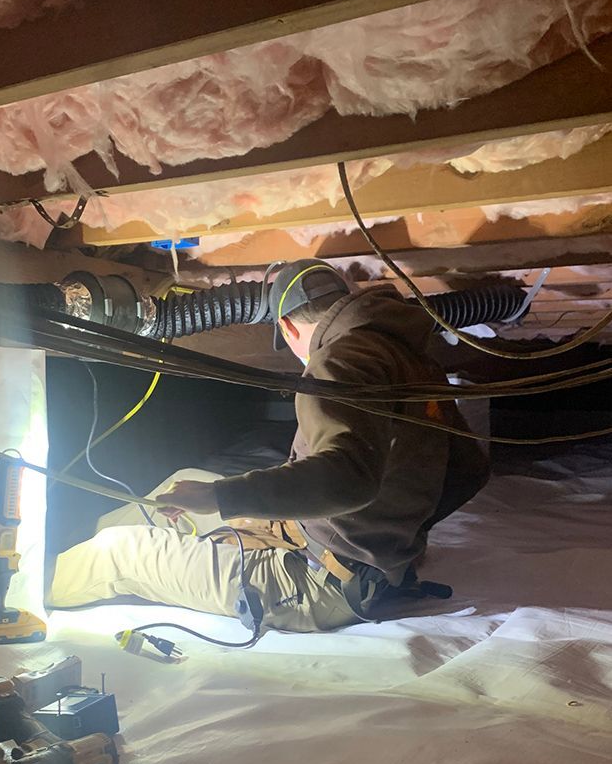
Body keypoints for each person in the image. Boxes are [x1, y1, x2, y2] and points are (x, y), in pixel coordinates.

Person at [49, 260, 489, 633]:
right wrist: (397, 535)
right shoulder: (412, 360)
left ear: (287, 326)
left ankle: (22, 586)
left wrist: (222, 497)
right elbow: (469, 469)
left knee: (119, 553)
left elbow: (345, 477)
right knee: (183, 484)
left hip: (317, 584)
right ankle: (66, 546)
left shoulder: (335, 361)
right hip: (351, 558)